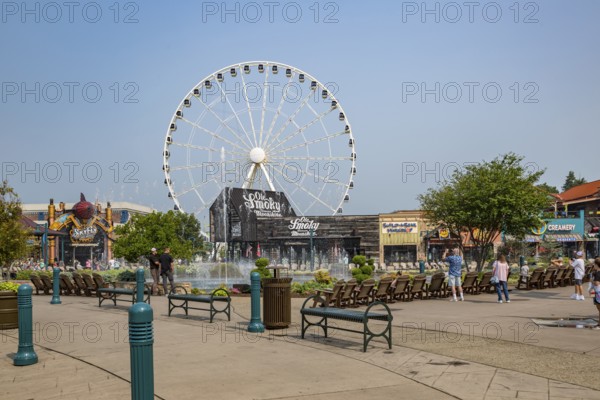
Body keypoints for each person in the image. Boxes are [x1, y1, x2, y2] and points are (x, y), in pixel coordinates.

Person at [589, 258, 600, 328]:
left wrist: (591, 281)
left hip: (598, 292)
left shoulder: (598, 273)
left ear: (597, 265)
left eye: (594, 264)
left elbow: (596, 283)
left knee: (599, 307)